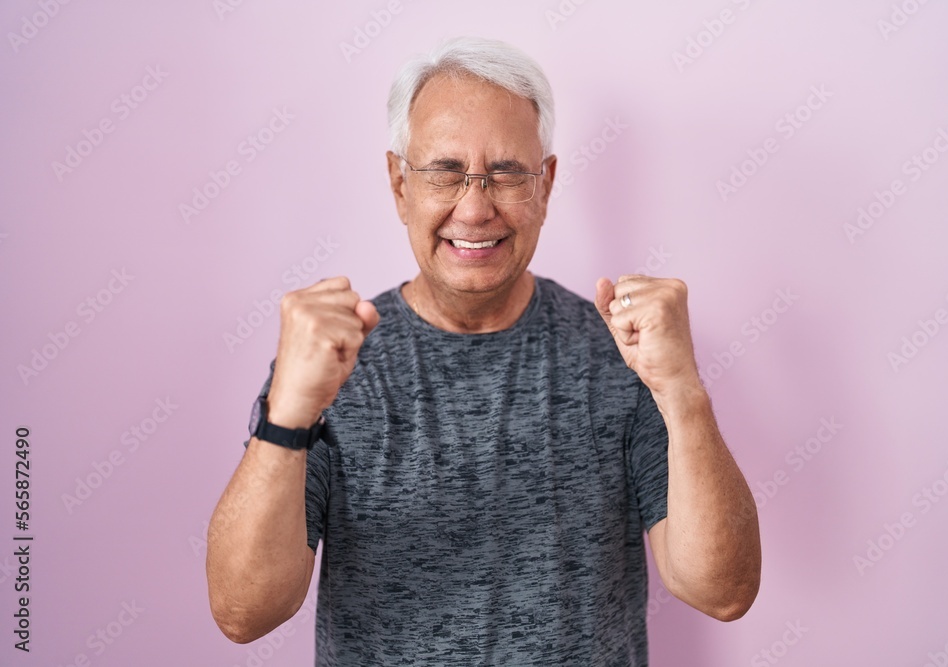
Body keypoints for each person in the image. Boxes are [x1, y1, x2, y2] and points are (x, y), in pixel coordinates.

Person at [206, 36, 761, 666]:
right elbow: (243, 613)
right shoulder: (328, 364)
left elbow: (722, 591)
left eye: (506, 172)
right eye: (444, 170)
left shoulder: (625, 356)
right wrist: (289, 413)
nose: (474, 208)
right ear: (398, 184)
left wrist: (683, 392)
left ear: (545, 185)